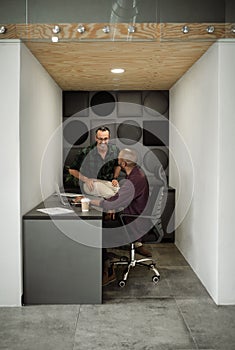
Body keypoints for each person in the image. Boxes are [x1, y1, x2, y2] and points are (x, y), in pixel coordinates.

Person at [90, 148, 152, 286]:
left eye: (119, 160)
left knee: (98, 231)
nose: (117, 162)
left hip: (131, 224)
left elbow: (116, 200)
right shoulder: (137, 174)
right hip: (132, 218)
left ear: (123, 164)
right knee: (104, 221)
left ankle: (108, 272)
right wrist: (113, 206)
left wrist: (90, 201)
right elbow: (120, 198)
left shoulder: (134, 180)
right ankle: (105, 259)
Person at [67, 126, 121, 198]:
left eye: (105, 139)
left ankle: (112, 206)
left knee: (119, 191)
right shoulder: (86, 152)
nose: (103, 142)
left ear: (109, 137)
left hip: (107, 182)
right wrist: (86, 180)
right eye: (100, 139)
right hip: (91, 183)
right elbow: (72, 170)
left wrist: (115, 178)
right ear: (96, 138)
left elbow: (117, 165)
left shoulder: (115, 150)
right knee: (111, 195)